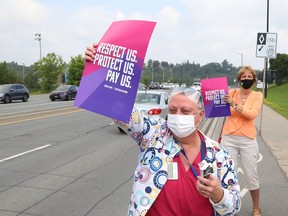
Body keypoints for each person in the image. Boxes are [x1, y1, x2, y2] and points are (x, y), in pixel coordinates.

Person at [85, 44, 241, 216]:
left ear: (200, 115)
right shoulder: (153, 134)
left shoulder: (219, 155)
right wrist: (99, 69)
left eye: (185, 111)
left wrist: (218, 195)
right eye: (173, 110)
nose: (177, 115)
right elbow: (120, 110)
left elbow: (233, 208)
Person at [222, 65, 263, 216]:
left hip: (247, 139)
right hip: (229, 137)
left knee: (251, 175)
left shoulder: (257, 95)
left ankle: (256, 207)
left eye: (249, 77)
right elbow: (218, 105)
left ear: (254, 79)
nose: (246, 79)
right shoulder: (232, 93)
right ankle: (227, 206)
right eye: (243, 77)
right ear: (239, 80)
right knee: (227, 174)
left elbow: (251, 115)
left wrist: (234, 104)